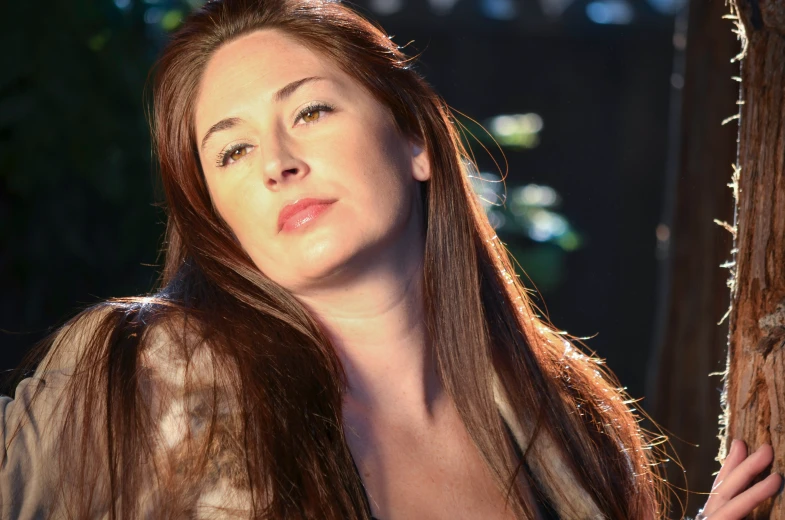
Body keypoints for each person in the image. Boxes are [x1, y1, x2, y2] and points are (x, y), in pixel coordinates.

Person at [0, 0, 780, 518]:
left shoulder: (570, 426)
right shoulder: (137, 372)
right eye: (231, 150)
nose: (275, 161)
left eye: (309, 109)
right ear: (217, 217)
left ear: (413, 139)